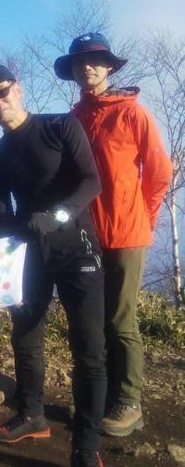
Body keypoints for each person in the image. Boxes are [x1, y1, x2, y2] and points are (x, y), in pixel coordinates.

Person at [0, 65, 107, 467]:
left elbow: (90, 181)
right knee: (25, 337)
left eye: (1, 92)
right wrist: (0, 272)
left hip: (77, 251)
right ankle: (32, 414)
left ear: (18, 88)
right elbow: (2, 218)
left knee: (88, 349)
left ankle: (86, 445)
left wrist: (60, 215)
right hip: (30, 256)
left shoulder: (60, 126)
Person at [54, 33, 173, 437]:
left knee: (121, 321)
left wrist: (143, 218)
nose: (87, 67)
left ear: (109, 67)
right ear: (72, 71)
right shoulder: (74, 117)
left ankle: (129, 402)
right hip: (87, 236)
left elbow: (159, 174)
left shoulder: (132, 114)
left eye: (95, 61)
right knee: (95, 320)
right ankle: (100, 399)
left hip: (126, 235)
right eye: (79, 62)